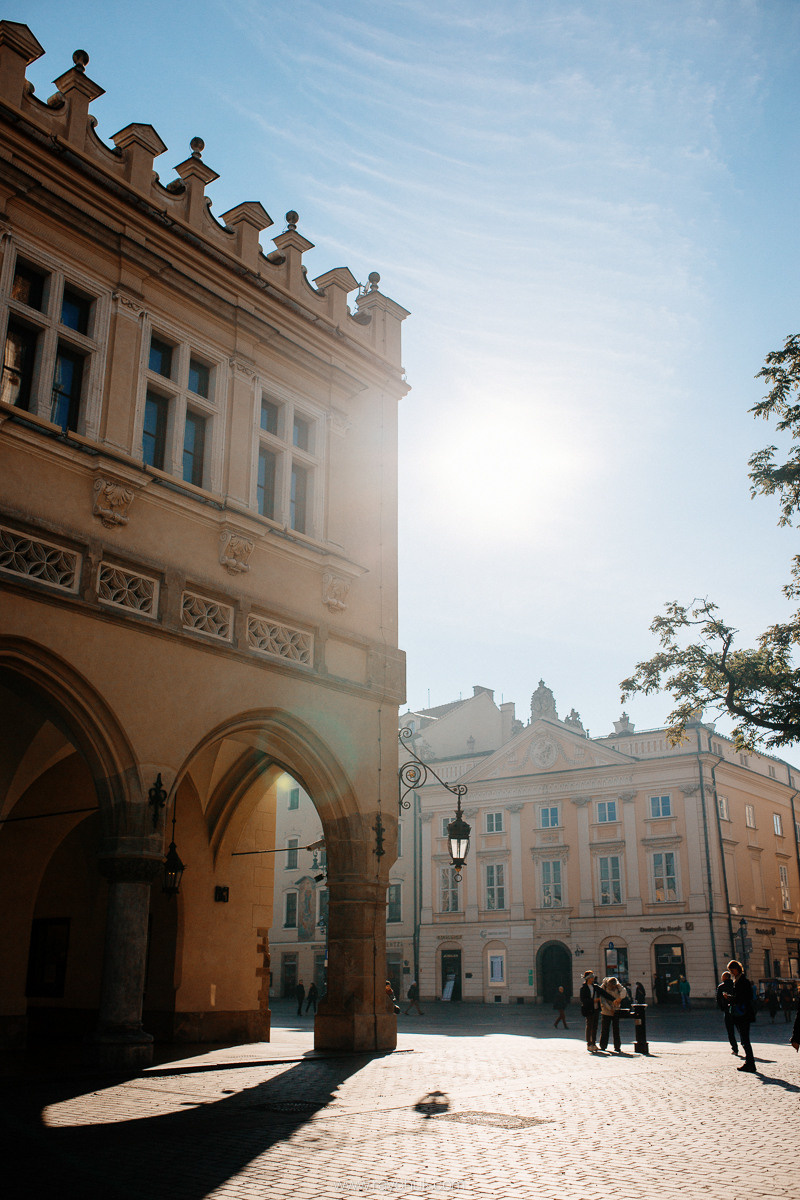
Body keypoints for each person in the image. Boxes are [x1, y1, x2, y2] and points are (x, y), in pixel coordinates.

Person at [727, 960, 757, 1073]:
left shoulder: (743, 981)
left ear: (737, 968)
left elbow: (744, 997)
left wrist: (731, 998)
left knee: (745, 1040)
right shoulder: (738, 980)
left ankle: (750, 1063)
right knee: (744, 1040)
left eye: (732, 970)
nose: (731, 972)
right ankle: (749, 1063)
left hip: (743, 1013)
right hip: (741, 1013)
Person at [579, 970, 612, 1053]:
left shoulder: (595, 987)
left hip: (596, 1009)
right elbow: (583, 999)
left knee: (595, 1026)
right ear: (588, 978)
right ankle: (589, 1044)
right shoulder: (584, 988)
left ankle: (593, 1043)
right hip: (588, 1008)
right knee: (589, 1026)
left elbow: (604, 993)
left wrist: (614, 999)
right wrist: (593, 1000)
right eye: (591, 976)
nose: (593, 978)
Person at [598, 976, 627, 1053]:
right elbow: (603, 1000)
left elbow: (624, 990)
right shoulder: (603, 987)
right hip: (606, 1011)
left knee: (616, 1029)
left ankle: (617, 1047)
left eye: (614, 986)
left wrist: (619, 998)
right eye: (611, 986)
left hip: (616, 1009)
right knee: (605, 1029)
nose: (613, 988)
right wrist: (610, 1009)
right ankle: (603, 1046)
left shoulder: (618, 986)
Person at [716, 969, 738, 1055]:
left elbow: (718, 999)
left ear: (724, 978)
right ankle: (744, 1045)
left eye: (722, 977)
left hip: (727, 1010)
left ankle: (735, 1048)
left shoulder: (721, 987)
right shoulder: (735, 985)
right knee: (740, 1029)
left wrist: (722, 1008)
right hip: (736, 1009)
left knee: (730, 1031)